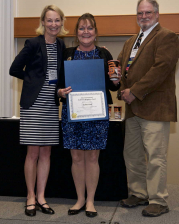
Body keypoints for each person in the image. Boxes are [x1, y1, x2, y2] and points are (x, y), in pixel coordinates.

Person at [118, 0, 179, 217]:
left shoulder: (167, 37)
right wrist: (116, 79)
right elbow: (122, 70)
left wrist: (134, 91)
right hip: (133, 109)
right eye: (140, 13)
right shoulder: (130, 41)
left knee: (155, 156)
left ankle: (158, 200)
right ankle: (138, 193)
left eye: (148, 12)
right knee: (132, 154)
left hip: (155, 107)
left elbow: (160, 69)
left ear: (157, 14)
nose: (143, 16)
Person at [56, 13, 121, 217]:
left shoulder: (104, 54)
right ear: (76, 33)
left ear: (95, 32)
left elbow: (112, 86)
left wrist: (117, 81)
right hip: (73, 112)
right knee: (76, 157)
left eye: (89, 28)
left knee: (93, 157)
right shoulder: (67, 53)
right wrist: (59, 92)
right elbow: (58, 84)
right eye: (82, 28)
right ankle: (80, 199)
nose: (86, 32)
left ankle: (91, 200)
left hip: (97, 112)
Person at [9, 5, 67, 216]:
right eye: (49, 20)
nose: (53, 24)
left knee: (46, 152)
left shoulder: (61, 44)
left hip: (51, 106)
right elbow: (14, 69)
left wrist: (59, 90)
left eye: (57, 20)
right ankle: (30, 196)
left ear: (62, 23)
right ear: (43, 22)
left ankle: (42, 196)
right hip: (33, 105)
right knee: (32, 153)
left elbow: (59, 74)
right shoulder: (33, 43)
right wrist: (33, 81)